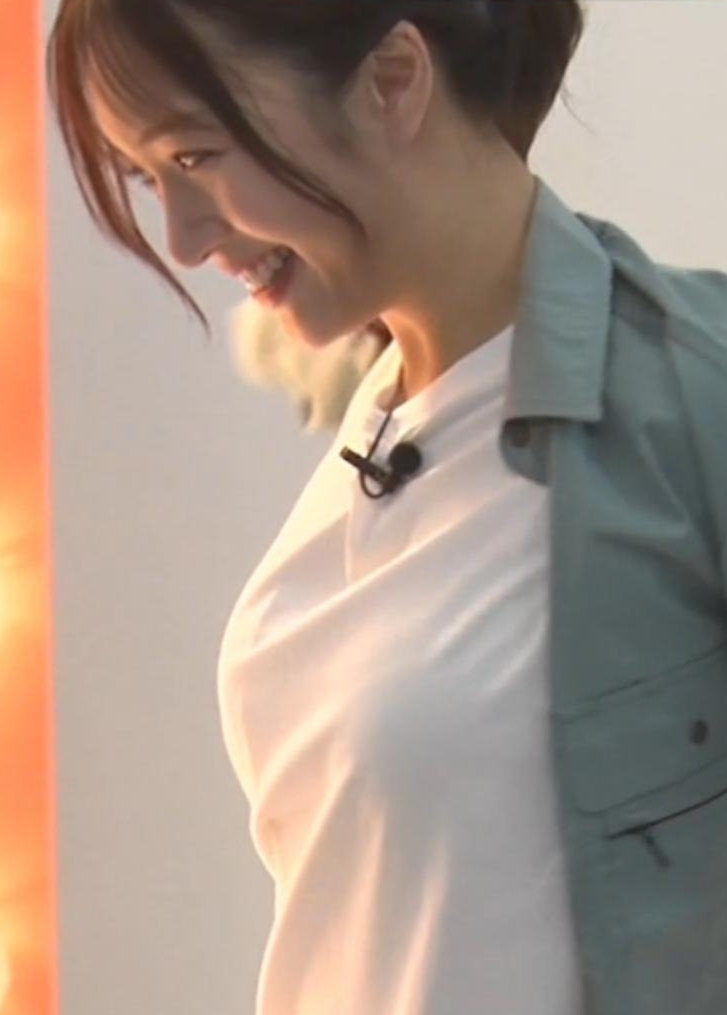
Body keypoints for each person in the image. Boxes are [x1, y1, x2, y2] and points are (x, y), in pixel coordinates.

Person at [46, 2, 727, 1013]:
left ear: (394, 79)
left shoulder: (689, 398)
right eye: (150, 181)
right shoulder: (373, 424)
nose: (183, 240)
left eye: (194, 156)